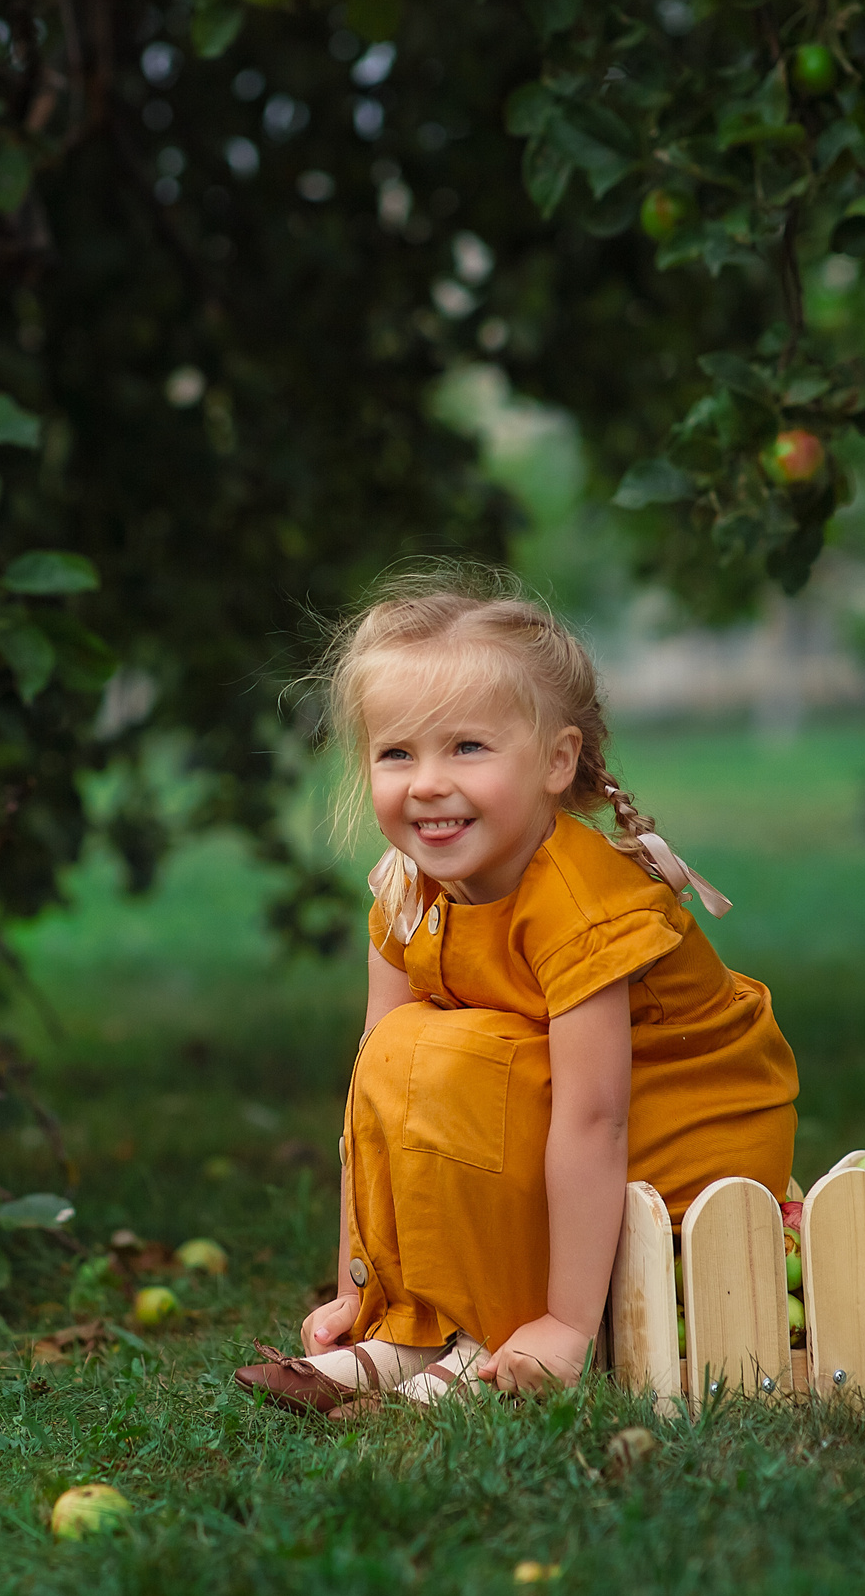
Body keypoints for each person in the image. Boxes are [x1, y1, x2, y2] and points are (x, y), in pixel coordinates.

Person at [234, 565, 798, 1415]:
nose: (426, 781)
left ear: (555, 760)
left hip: (681, 1133)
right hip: (552, 1117)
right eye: (397, 752)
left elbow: (593, 1116)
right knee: (403, 1052)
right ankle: (409, 1327)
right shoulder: (406, 890)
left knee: (472, 1058)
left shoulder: (572, 902)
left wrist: (565, 1325)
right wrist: (358, 1284)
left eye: (466, 746)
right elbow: (376, 1099)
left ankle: (497, 1336)